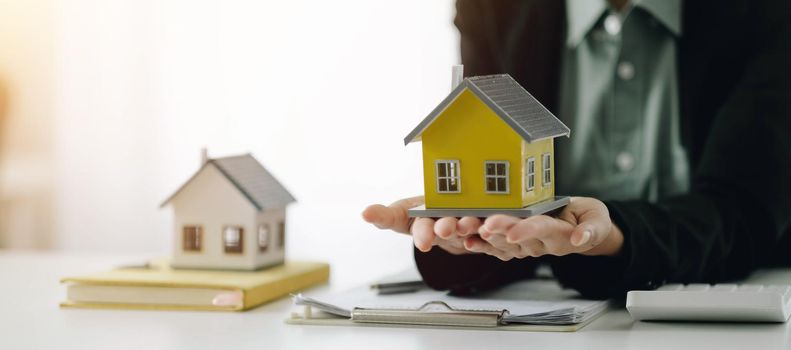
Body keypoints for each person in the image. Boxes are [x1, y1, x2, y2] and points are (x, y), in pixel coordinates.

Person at [362, 0, 791, 299]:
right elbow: (484, 147)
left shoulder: (766, 13)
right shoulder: (493, 6)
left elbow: (744, 213)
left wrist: (612, 238)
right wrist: (466, 235)